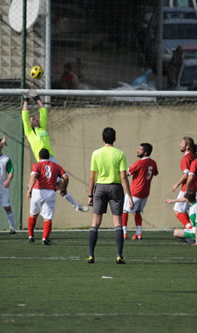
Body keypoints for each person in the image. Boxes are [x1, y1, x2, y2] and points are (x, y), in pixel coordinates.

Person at [21, 94, 88, 212]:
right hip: (42, 161)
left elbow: (43, 112)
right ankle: (75, 205)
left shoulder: (42, 129)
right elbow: (24, 116)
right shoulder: (30, 133)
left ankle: (76, 206)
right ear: (30, 124)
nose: (35, 119)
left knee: (60, 185)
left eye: (35, 118)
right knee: (58, 185)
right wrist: (26, 100)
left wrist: (37, 98)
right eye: (33, 119)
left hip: (51, 159)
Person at [87, 127, 133, 264]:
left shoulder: (96, 153)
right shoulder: (120, 154)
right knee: (117, 223)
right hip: (116, 187)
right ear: (115, 138)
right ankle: (119, 255)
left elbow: (92, 177)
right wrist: (129, 196)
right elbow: (124, 177)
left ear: (102, 139)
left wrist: (90, 195)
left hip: (100, 187)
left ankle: (91, 255)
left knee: (95, 223)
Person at [26, 148, 68, 245]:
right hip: (49, 192)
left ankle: (30, 236)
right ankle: (44, 238)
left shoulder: (36, 165)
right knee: (47, 217)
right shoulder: (56, 166)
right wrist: (64, 188)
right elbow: (65, 177)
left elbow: (34, 176)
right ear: (49, 157)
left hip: (37, 191)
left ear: (39, 157)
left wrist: (29, 190)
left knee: (33, 214)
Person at [122, 143, 159, 240]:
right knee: (137, 212)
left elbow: (126, 173)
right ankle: (139, 233)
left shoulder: (139, 163)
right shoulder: (153, 162)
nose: (137, 150)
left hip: (135, 191)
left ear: (145, 152)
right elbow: (155, 173)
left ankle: (124, 233)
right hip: (145, 193)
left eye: (140, 149)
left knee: (125, 211)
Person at [171, 137, 197, 229]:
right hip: (195, 188)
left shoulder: (186, 158)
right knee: (184, 211)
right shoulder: (196, 157)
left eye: (181, 143)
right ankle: (190, 228)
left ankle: (191, 230)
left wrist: (176, 184)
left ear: (187, 146)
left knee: (177, 211)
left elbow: (185, 175)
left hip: (186, 188)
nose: (179, 144)